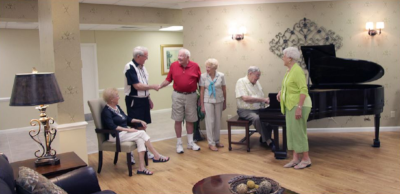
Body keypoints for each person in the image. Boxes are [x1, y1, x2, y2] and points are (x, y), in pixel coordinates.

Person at [101, 88, 169, 175]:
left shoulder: (116, 107)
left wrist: (139, 121)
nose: (119, 97)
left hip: (123, 133)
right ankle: (156, 155)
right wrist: (129, 129)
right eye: (117, 96)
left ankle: (141, 168)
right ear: (111, 99)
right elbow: (112, 126)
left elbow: (127, 118)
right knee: (141, 133)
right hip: (114, 136)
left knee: (140, 140)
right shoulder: (106, 111)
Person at [158, 48, 201, 153]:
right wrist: (159, 86)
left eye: (181, 56)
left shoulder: (195, 66)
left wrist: (201, 99)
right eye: (178, 56)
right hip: (177, 95)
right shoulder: (174, 65)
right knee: (178, 119)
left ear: (187, 57)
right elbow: (168, 79)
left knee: (190, 119)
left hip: (191, 96)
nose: (179, 58)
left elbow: (200, 83)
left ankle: (190, 143)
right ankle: (179, 143)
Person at [277, 47, 312, 169]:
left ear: (290, 58)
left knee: (299, 132)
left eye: (284, 56)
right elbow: (289, 86)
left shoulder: (297, 71)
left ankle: (306, 159)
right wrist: (281, 92)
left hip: (299, 105)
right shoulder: (289, 70)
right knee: (292, 132)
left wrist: (299, 107)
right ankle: (295, 159)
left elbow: (303, 90)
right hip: (290, 105)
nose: (283, 58)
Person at [124, 46, 159, 159]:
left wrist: (148, 98)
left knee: (143, 126)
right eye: (145, 56)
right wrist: (153, 87)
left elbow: (144, 83)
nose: (146, 59)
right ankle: (131, 154)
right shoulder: (130, 67)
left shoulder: (143, 68)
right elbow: (137, 86)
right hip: (134, 100)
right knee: (135, 127)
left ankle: (143, 150)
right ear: (138, 56)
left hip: (144, 100)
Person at [235, 66, 275, 151]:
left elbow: (260, 96)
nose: (258, 78)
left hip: (258, 109)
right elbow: (245, 98)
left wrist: (266, 102)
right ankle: (268, 141)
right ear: (250, 73)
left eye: (259, 75)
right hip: (245, 110)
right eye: (257, 75)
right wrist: (264, 100)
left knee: (271, 116)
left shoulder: (257, 83)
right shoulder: (241, 82)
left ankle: (264, 138)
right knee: (257, 118)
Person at [199, 58, 226, 151]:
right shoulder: (203, 76)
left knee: (218, 121)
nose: (207, 69)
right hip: (208, 101)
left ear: (214, 68)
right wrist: (202, 105)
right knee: (210, 122)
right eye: (206, 67)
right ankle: (211, 143)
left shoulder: (221, 76)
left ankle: (217, 140)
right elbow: (201, 91)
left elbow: (224, 90)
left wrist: (225, 102)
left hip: (219, 100)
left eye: (209, 67)